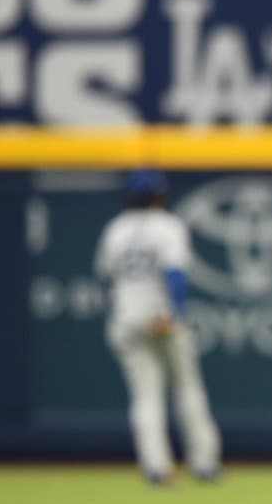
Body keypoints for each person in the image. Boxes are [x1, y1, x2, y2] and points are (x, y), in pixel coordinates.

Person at [94, 169, 222, 485]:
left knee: (145, 396)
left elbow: (106, 276)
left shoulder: (116, 229)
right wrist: (173, 312)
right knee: (187, 387)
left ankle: (156, 467)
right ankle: (204, 463)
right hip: (161, 316)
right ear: (161, 195)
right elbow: (175, 275)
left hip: (126, 319)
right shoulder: (167, 226)